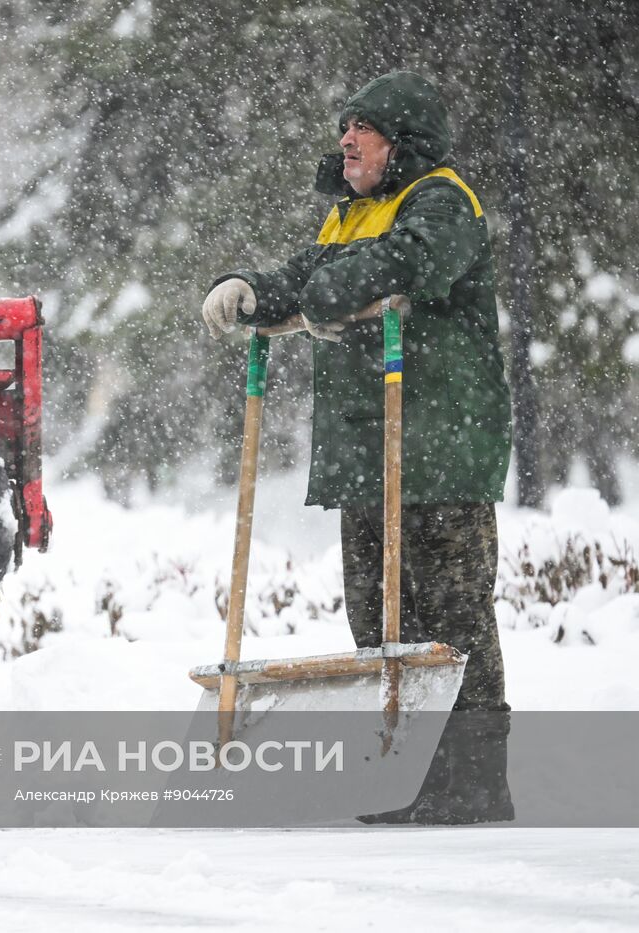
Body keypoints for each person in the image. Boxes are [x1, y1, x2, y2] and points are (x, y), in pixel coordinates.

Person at [200, 71, 514, 824]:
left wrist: (321, 294)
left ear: (401, 143)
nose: (346, 138)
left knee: (453, 615)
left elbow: (404, 266)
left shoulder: (441, 200)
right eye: (345, 125)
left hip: (437, 443)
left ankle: (473, 780)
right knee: (378, 618)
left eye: (364, 128)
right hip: (369, 449)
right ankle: (409, 772)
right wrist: (251, 287)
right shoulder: (351, 216)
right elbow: (314, 275)